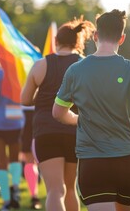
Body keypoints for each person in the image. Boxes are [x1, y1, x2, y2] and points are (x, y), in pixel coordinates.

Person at [52, 9, 130, 211]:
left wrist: (77, 119)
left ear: (95, 36)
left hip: (93, 163)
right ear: (122, 38)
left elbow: (57, 113)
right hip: (129, 162)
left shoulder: (75, 70)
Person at [21, 17, 95, 211]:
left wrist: (46, 96)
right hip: (74, 131)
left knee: (55, 190)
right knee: (70, 189)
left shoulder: (40, 65)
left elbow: (25, 99)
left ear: (55, 41)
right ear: (78, 43)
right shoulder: (85, 64)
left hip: (45, 131)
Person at [0, 56, 25, 210]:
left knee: (1, 163)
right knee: (15, 160)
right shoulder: (20, 73)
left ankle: (6, 201)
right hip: (15, 120)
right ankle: (15, 190)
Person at [20, 105, 42, 210]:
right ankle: (34, 196)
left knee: (30, 159)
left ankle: (34, 196)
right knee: (31, 159)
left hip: (30, 113)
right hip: (40, 113)